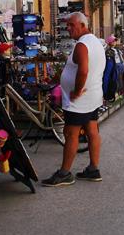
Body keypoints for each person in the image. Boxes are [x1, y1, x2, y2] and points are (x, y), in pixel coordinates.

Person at [42, 12, 106, 187]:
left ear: (83, 25)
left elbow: (83, 71)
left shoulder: (82, 45)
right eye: (67, 25)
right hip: (92, 96)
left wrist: (76, 91)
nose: (68, 28)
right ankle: (93, 169)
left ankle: (64, 173)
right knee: (92, 131)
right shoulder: (95, 42)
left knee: (71, 134)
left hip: (80, 100)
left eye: (71, 25)